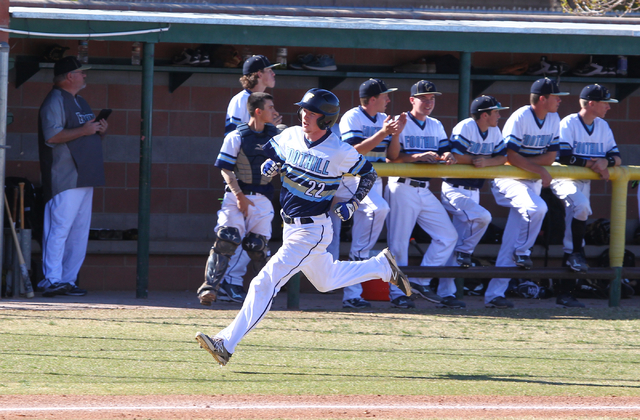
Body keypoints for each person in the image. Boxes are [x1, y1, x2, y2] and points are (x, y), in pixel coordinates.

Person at [195, 88, 411, 366]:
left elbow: (368, 174)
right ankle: (381, 266)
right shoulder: (290, 135)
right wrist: (270, 167)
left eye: (311, 112)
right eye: (304, 111)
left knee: (264, 282)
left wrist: (354, 203)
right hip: (290, 227)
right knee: (326, 281)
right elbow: (270, 158)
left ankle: (226, 342)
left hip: (313, 229)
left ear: (326, 119)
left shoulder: (339, 150)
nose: (304, 116)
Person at [486, 78, 568, 309]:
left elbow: (551, 157)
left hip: (530, 181)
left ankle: (494, 295)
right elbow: (510, 157)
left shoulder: (553, 118)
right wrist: (538, 167)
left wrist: (530, 164)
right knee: (537, 208)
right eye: (556, 96)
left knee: (509, 242)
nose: (560, 100)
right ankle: (523, 251)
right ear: (542, 98)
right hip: (508, 179)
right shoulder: (520, 117)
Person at [327, 78, 406, 309]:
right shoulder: (352, 116)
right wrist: (383, 132)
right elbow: (353, 151)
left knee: (363, 239)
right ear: (372, 99)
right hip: (352, 180)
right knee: (378, 209)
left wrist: (396, 134)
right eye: (385, 96)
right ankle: (352, 287)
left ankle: (352, 295)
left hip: (375, 180)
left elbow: (392, 156)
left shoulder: (384, 119)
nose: (388, 100)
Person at [196, 92, 280, 306]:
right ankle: (210, 288)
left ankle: (266, 293)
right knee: (228, 238)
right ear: (258, 111)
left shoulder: (277, 137)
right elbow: (225, 169)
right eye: (270, 107)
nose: (274, 111)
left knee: (256, 246)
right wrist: (240, 196)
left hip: (262, 197)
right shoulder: (237, 136)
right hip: (236, 196)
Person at [384, 80, 461, 309]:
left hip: (424, 189)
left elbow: (445, 147)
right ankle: (398, 294)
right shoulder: (401, 122)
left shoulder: (436, 124)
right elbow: (391, 158)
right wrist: (416, 157)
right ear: (412, 100)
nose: (429, 103)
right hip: (402, 186)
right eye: (424, 98)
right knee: (398, 246)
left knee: (448, 236)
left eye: (432, 98)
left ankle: (420, 282)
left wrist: (448, 155)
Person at [36, 56, 109, 297]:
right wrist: (85, 130)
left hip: (85, 175)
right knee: (59, 230)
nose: (84, 75)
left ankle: (68, 280)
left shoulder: (80, 100)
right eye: (81, 72)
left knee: (78, 233)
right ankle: (51, 279)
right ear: (69, 77)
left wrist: (97, 131)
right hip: (64, 176)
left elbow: (82, 134)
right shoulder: (55, 99)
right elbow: (52, 136)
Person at [219, 55, 283, 303]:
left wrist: (272, 129)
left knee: (256, 235)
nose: (274, 74)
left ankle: (232, 281)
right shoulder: (242, 100)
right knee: (238, 233)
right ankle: (228, 282)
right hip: (242, 179)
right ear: (258, 74)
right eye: (269, 70)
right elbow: (238, 139)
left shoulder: (260, 101)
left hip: (258, 179)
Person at [550, 84, 621, 308]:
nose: (608, 107)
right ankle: (575, 254)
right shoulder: (569, 122)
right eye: (604, 102)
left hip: (585, 181)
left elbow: (616, 157)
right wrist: (595, 163)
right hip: (564, 178)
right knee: (580, 207)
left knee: (576, 235)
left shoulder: (602, 126)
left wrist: (605, 162)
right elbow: (564, 157)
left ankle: (566, 293)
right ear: (591, 103)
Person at [439, 96, 509, 299]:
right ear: (484, 114)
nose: (499, 115)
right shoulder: (466, 126)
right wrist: (477, 161)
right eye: (496, 111)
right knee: (483, 217)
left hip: (474, 190)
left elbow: (503, 157)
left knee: (458, 242)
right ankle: (466, 251)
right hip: (454, 188)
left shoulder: (494, 130)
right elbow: (455, 155)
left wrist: (486, 162)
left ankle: (447, 293)